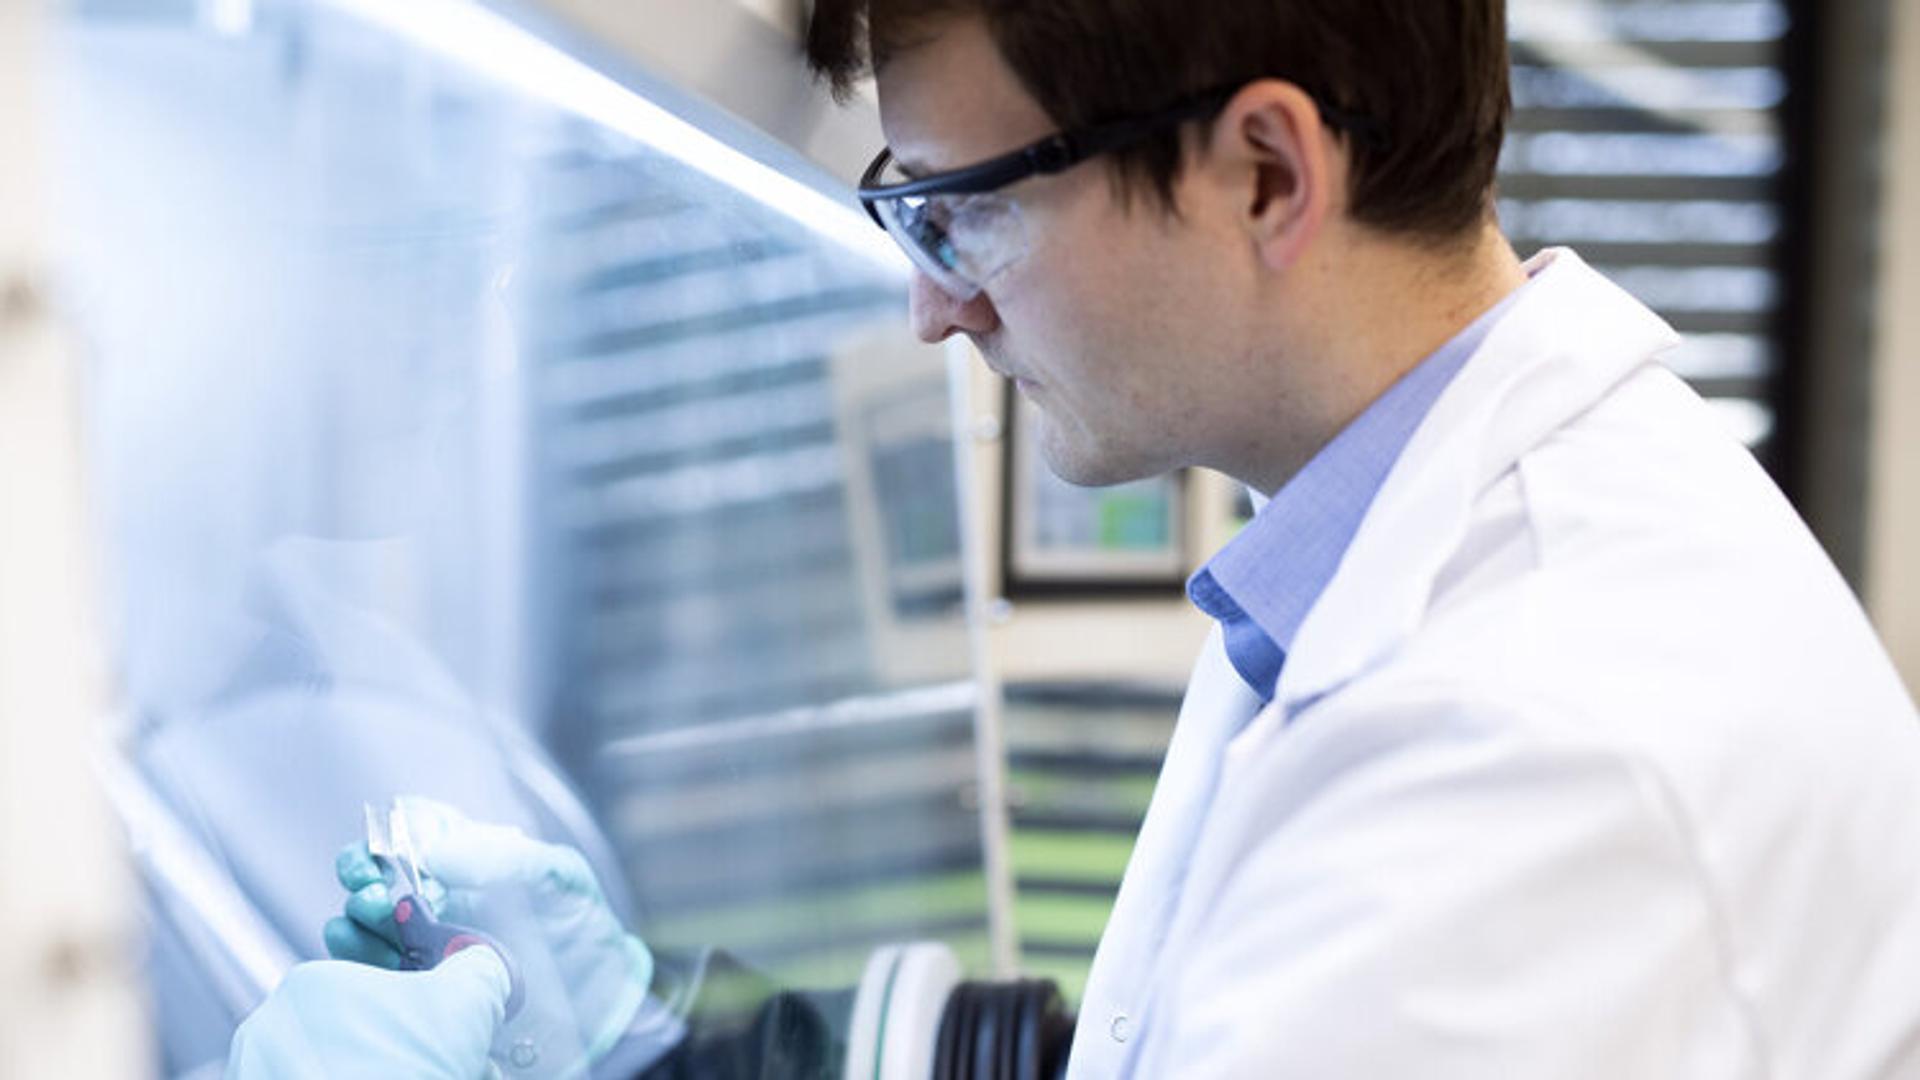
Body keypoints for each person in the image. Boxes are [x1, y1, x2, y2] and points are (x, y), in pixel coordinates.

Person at [229, 1, 1920, 1076]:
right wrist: (685, 1050)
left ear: (1267, 171)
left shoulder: (1530, 756)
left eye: (966, 209)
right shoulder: (1392, 539)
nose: (931, 305)